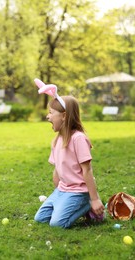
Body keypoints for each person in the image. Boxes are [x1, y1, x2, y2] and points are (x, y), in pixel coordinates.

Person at [33, 79, 105, 228]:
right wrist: (58, 193)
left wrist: (94, 198)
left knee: (56, 223)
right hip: (62, 190)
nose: (48, 116)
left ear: (64, 116)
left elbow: (87, 170)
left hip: (79, 192)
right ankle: (72, 206)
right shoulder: (56, 140)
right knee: (40, 218)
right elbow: (57, 170)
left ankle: (88, 205)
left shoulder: (78, 139)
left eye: (51, 113)